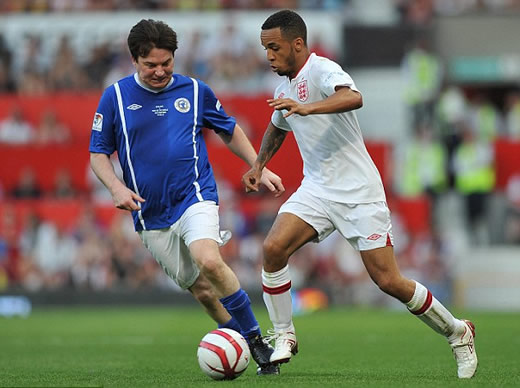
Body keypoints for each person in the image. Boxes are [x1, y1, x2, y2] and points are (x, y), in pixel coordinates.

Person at [242, 10, 477, 379]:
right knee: (272, 250)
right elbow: (277, 127)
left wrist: (308, 107)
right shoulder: (282, 88)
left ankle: (458, 332)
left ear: (298, 44)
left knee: (388, 281)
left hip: (358, 193)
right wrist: (258, 165)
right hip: (317, 188)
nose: (268, 56)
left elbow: (353, 97)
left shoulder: (321, 70)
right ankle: (285, 335)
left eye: (274, 48)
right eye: (265, 49)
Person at [89, 19, 284, 375]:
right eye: (151, 65)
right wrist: (116, 187)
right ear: (135, 60)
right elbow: (98, 153)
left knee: (209, 260)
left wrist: (261, 165)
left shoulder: (195, 91)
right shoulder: (115, 97)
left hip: (194, 195)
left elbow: (228, 129)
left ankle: (256, 342)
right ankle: (237, 344)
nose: (160, 71)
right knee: (204, 292)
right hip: (149, 214)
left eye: (167, 63)